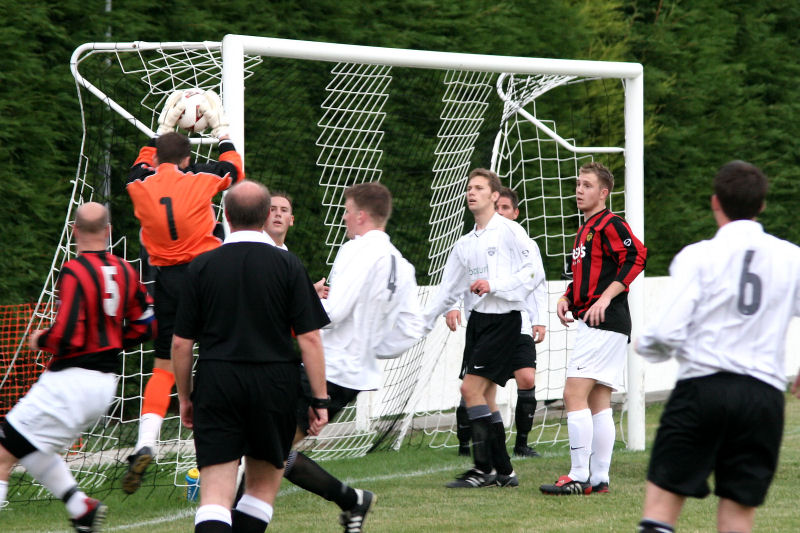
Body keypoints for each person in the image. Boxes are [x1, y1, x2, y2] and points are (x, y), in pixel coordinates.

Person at [635, 161, 800, 533]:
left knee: (661, 507)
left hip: (702, 388)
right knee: (738, 516)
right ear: (762, 206)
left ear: (715, 202)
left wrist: (647, 348)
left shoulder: (698, 256)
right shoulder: (792, 257)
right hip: (763, 395)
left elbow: (665, 332)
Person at [172, 181, 330, 533]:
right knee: (259, 489)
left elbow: (182, 344)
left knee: (215, 494)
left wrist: (185, 397)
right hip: (274, 383)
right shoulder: (288, 265)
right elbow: (310, 338)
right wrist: (319, 398)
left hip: (217, 380)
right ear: (264, 216)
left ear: (225, 216)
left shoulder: (201, 267)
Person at [278, 181, 424, 532]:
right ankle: (352, 500)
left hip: (327, 368)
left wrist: (290, 308)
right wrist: (370, 347)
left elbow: (335, 310)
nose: (343, 217)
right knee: (271, 449)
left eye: (345, 210)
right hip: (352, 373)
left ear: (360, 215)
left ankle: (350, 499)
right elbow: (411, 329)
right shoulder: (400, 264)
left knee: (268, 451)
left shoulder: (356, 249)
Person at [0, 202, 155, 532]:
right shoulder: (126, 270)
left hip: (70, 381)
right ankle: (79, 507)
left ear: (74, 231)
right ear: (109, 231)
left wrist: (41, 339)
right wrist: (114, 341)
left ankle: (79, 505)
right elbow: (147, 324)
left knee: (2, 451)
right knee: (28, 446)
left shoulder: (74, 271)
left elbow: (68, 333)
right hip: (103, 386)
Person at [123, 89, 244, 494]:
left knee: (164, 364)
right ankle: (214, 451)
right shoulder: (200, 178)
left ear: (156, 158)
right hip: (206, 274)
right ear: (188, 159)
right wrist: (222, 128)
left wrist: (164, 127)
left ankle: (144, 442)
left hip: (166, 282)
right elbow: (234, 170)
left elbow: (141, 164)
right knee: (216, 354)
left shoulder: (138, 184)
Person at [425, 168, 543, 488]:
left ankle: (482, 469)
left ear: (494, 196)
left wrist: (496, 285)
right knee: (486, 398)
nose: (471, 192)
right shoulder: (464, 244)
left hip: (505, 321)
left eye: (479, 188)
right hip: (477, 323)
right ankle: (504, 472)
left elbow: (535, 273)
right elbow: (448, 289)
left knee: (470, 390)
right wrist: (422, 323)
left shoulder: (510, 231)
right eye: (469, 188)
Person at [540, 161, 646, 496]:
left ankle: (578, 475)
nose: (579, 190)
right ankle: (599, 478)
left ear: (604, 192)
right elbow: (587, 278)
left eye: (587, 185)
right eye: (578, 184)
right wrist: (567, 297)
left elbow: (638, 257)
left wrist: (605, 299)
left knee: (573, 394)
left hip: (604, 321)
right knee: (599, 399)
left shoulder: (610, 223)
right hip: (598, 322)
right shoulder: (585, 230)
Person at [454, 186, 548, 458]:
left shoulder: (526, 244)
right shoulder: (474, 242)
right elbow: (459, 278)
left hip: (517, 324)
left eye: (507, 208)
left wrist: (538, 319)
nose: (502, 213)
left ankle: (520, 444)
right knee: (478, 386)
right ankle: (468, 444)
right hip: (484, 325)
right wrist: (452, 307)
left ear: (515, 212)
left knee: (527, 377)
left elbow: (537, 283)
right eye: (499, 208)